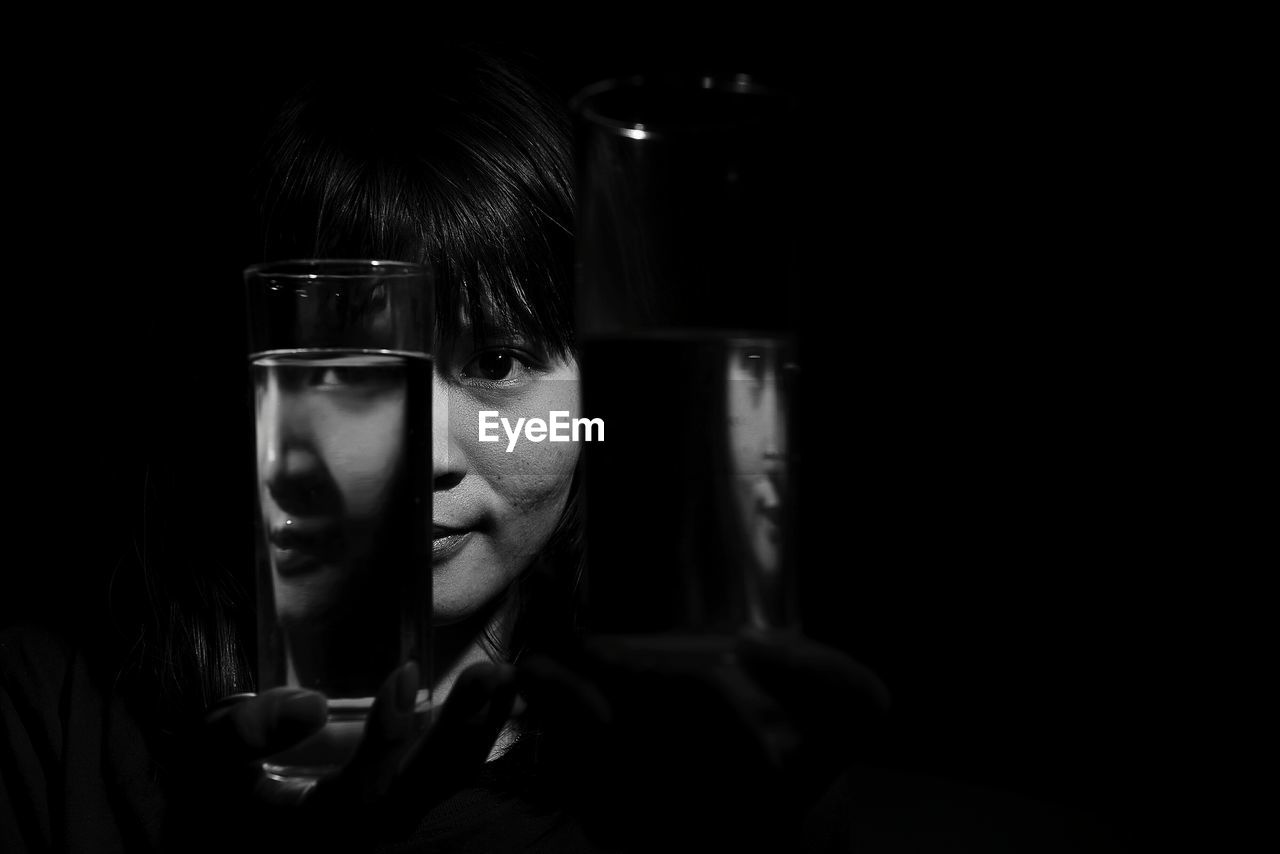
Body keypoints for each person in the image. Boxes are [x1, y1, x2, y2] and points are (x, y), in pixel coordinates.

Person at [1, 41, 1124, 854]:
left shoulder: (707, 784)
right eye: (346, 369)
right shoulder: (42, 711)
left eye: (495, 362)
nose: (424, 453)